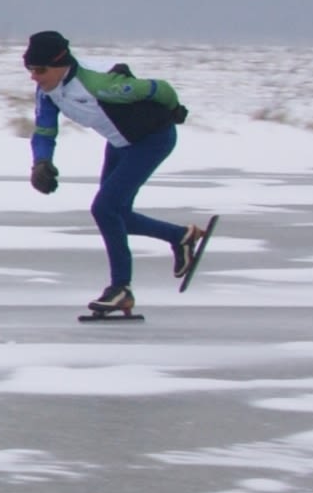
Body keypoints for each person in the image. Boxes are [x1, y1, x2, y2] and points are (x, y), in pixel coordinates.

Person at [23, 28, 216, 322]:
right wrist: (40, 163)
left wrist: (175, 109)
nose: (34, 77)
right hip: (119, 143)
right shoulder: (48, 91)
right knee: (115, 215)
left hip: (152, 140)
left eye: (39, 69)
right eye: (29, 69)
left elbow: (159, 88)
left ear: (61, 64)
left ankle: (120, 288)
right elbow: (44, 131)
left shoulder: (101, 85)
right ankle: (181, 237)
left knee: (105, 208)